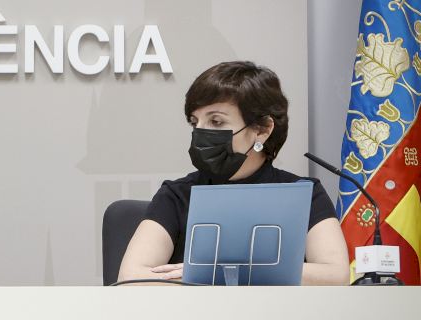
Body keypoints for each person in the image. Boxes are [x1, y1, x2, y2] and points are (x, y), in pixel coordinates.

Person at [118, 61, 349, 285]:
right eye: (195, 122)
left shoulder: (304, 194)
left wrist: (211, 272)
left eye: (216, 121)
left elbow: (336, 275)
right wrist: (264, 273)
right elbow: (131, 277)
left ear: (262, 130)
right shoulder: (177, 194)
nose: (200, 132)